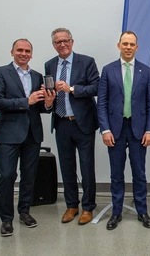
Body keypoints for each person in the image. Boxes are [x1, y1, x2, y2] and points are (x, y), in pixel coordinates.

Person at [0, 39, 55, 237]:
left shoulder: (37, 76)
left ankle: (25, 212)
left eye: (27, 51)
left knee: (29, 176)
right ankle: (6, 219)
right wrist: (25, 101)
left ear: (31, 54)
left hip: (33, 134)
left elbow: (41, 108)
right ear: (12, 52)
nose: (23, 53)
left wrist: (49, 103)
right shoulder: (0, 73)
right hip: (9, 134)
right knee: (8, 175)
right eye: (20, 50)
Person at [97, 31, 150, 230]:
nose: (128, 47)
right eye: (125, 44)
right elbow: (102, 103)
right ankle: (116, 212)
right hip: (115, 129)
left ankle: (142, 211)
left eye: (132, 44)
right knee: (116, 173)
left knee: (139, 173)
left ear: (137, 47)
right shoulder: (108, 70)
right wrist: (105, 130)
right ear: (119, 45)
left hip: (139, 129)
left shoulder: (146, 71)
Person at [45, 28, 100, 225]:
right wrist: (49, 101)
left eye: (65, 41)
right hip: (61, 122)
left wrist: (71, 89)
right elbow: (49, 94)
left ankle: (88, 207)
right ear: (54, 45)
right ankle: (71, 205)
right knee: (67, 166)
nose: (62, 44)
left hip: (83, 122)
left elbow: (96, 87)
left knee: (86, 167)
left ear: (72, 42)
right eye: (58, 42)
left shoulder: (86, 61)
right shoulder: (49, 65)